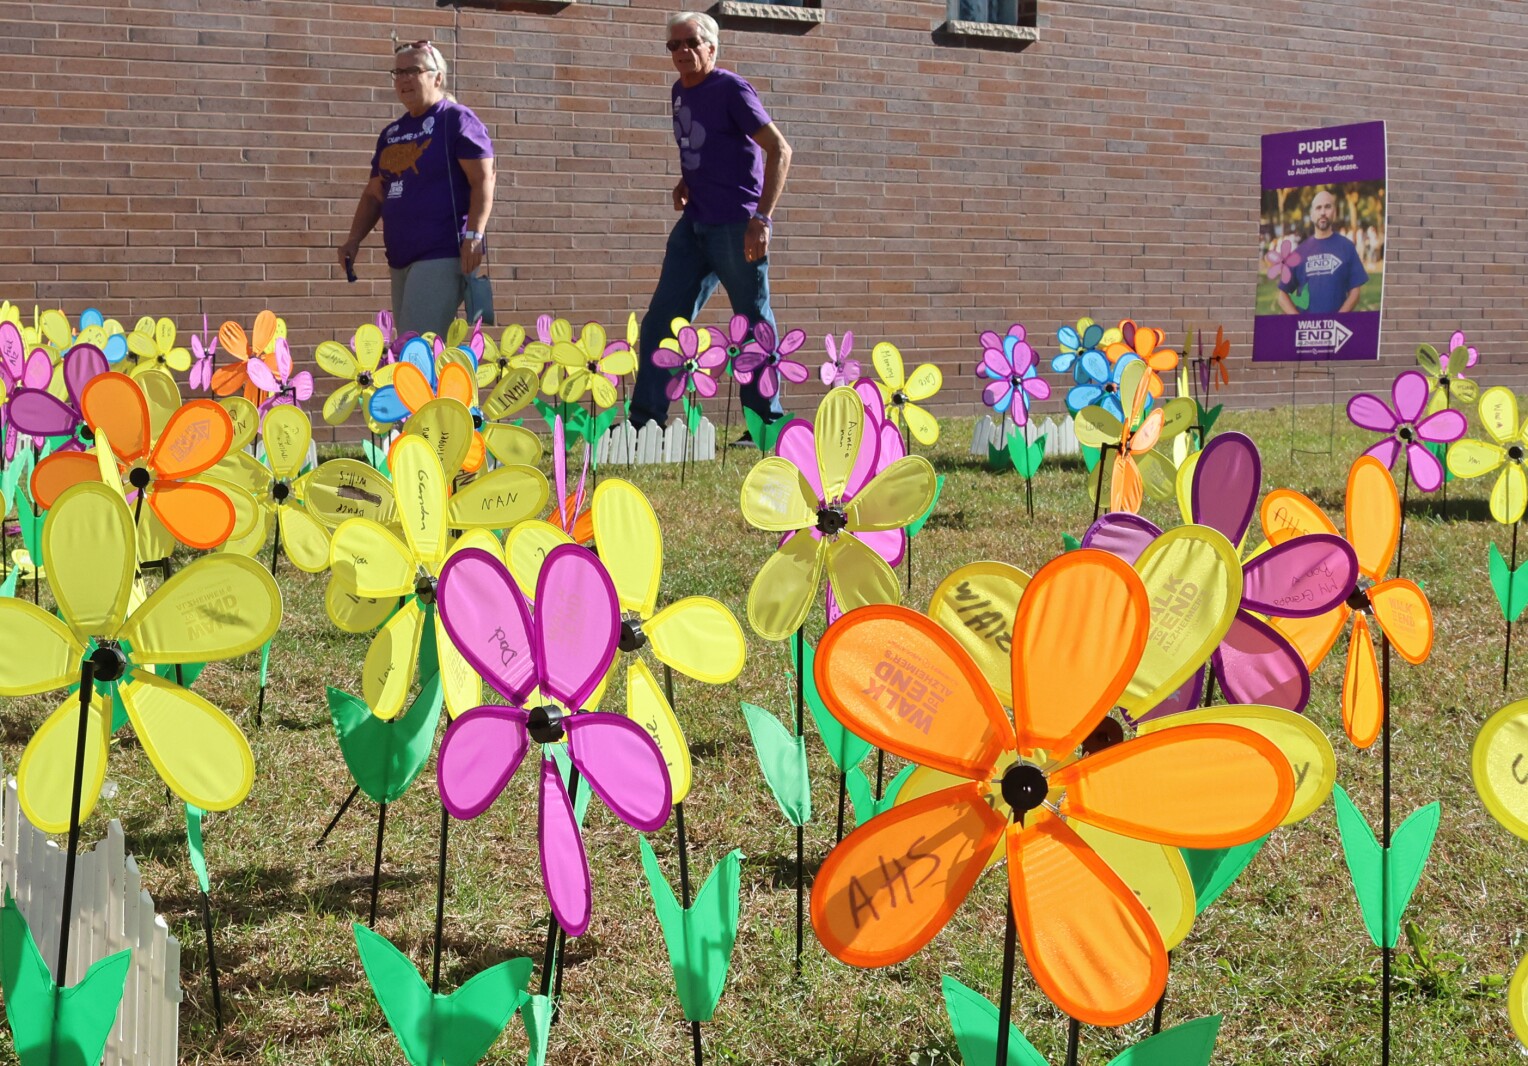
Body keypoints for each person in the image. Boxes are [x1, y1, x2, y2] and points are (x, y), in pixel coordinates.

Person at [629, 11, 793, 433]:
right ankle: (646, 421)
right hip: (695, 223)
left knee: (752, 322)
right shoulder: (678, 91)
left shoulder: (731, 89)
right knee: (662, 320)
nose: (682, 51)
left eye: (692, 43)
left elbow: (779, 150)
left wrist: (762, 217)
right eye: (674, 45)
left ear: (712, 48)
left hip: (736, 226)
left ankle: (764, 422)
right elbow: (712, 145)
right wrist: (687, 179)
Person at [338, 41, 495, 338]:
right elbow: (374, 194)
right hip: (399, 256)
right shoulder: (392, 133)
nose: (403, 79)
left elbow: (484, 178)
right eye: (397, 73)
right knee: (414, 346)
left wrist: (474, 235)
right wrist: (353, 239)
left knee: (415, 348)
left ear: (438, 77)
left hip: (442, 252)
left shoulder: (456, 119)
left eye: (413, 70)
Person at [1277, 188, 1368, 315]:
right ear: (1312, 214)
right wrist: (1298, 321)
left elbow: (1355, 291)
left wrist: (1338, 320)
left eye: (1327, 207)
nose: (1323, 212)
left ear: (1334, 212)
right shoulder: (1298, 253)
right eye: (1318, 208)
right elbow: (1282, 295)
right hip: (1307, 331)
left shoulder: (1347, 247)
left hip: (1337, 329)